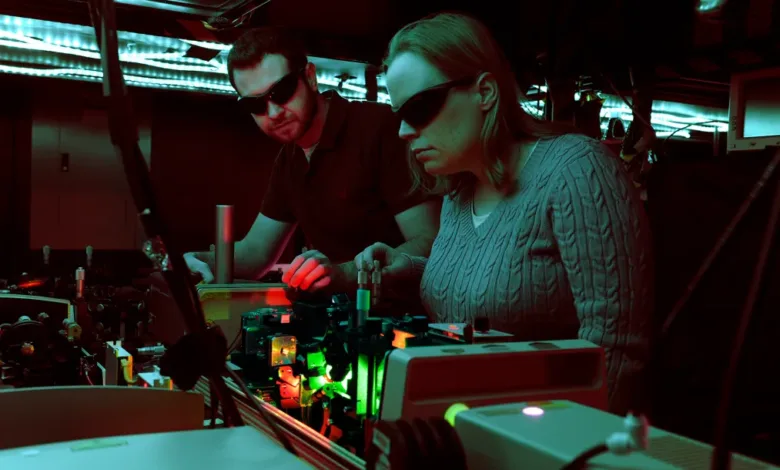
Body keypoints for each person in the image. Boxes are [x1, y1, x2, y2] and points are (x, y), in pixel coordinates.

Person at [354, 12, 654, 415]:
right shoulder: (460, 190)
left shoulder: (576, 170)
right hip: (467, 427)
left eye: (420, 107)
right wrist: (406, 268)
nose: (404, 131)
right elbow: (490, 279)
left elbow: (616, 350)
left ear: (485, 92)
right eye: (399, 115)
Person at [185, 27, 440, 291]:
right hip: (338, 323)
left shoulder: (378, 129)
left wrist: (343, 273)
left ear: (310, 77)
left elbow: (428, 241)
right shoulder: (289, 160)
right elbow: (256, 254)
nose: (272, 113)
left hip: (404, 323)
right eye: (255, 105)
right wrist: (195, 260)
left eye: (281, 92)